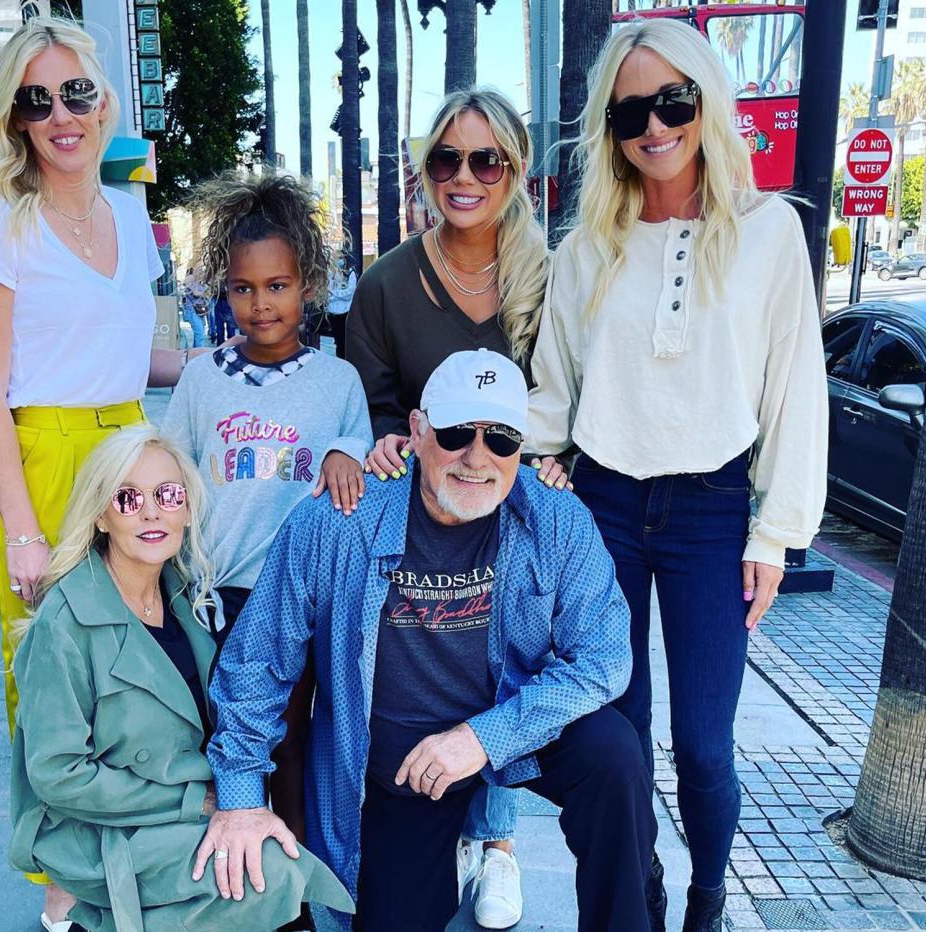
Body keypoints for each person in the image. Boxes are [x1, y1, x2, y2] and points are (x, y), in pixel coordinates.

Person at [527, 20, 828, 931]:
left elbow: (794, 389)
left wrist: (777, 533)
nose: (654, 126)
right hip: (605, 506)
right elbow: (554, 385)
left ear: (705, 104)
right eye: (630, 112)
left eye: (673, 102)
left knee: (702, 744)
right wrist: (533, 454)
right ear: (608, 127)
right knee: (615, 733)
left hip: (713, 514)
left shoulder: (770, 234)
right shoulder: (587, 246)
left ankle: (707, 895)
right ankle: (640, 892)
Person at [203, 350, 656, 932]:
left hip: (512, 730)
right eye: (455, 433)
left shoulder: (556, 517)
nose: (477, 457)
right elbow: (257, 663)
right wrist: (240, 797)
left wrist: (483, 737)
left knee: (615, 755)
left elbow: (605, 657)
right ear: (416, 431)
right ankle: (453, 851)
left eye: (501, 439)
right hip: (408, 767)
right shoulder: (340, 517)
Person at [0, 16, 207, 929]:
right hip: (45, 456)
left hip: (128, 451)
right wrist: (21, 524)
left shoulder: (131, 216)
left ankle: (134, 857)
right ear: (14, 116)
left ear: (105, 102)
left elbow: (140, 357)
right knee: (52, 673)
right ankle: (60, 893)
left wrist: (238, 362)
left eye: (77, 93)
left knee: (138, 660)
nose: (61, 114)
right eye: (36, 99)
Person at [344, 88, 565, 927]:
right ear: (423, 169)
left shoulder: (549, 276)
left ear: (516, 170)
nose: (465, 177)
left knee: (514, 655)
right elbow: (367, 399)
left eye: (487, 160)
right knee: (440, 675)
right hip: (423, 521)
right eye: (447, 159)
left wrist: (556, 462)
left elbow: (568, 391)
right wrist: (380, 442)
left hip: (520, 510)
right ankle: (452, 833)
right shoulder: (388, 283)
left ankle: (499, 842)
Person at [9, 424, 353, 931]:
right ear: (101, 514)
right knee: (271, 874)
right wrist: (197, 800)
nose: (152, 511)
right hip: (104, 826)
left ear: (187, 509)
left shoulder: (181, 592)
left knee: (266, 862)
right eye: (128, 498)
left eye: (168, 495)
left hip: (177, 806)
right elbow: (57, 774)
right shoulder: (64, 623)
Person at [162, 169, 372, 930]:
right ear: (225, 288)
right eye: (245, 288)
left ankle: (299, 888)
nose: (262, 304)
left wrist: (351, 452)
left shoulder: (337, 381)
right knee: (246, 739)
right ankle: (259, 891)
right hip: (229, 593)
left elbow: (361, 447)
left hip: (311, 597)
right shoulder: (200, 382)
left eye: (278, 285)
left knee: (309, 747)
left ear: (308, 284)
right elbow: (173, 475)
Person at [181, 266, 209, 348]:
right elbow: (196, 293)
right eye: (199, 268)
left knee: (199, 334)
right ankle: (199, 355)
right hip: (193, 310)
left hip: (198, 310)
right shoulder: (190, 278)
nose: (201, 271)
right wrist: (205, 291)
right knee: (200, 334)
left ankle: (195, 354)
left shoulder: (198, 280)